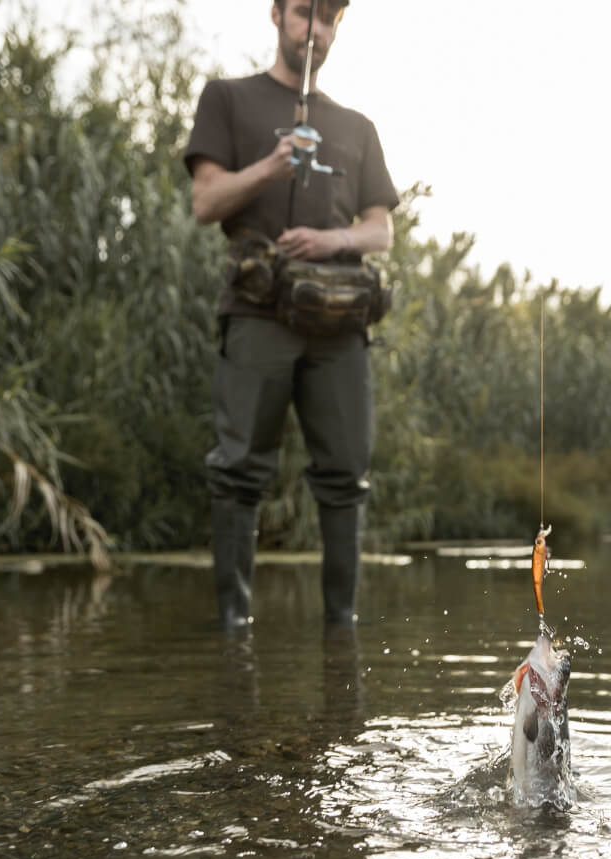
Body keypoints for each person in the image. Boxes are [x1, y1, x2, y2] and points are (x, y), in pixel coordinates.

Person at [183, 0, 398, 630]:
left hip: (339, 326)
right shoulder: (228, 99)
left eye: (328, 20)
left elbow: (380, 230)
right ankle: (234, 630)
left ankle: (343, 630)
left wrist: (331, 241)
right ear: (276, 16)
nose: (316, 31)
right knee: (239, 473)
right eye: (305, 14)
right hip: (257, 314)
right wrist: (273, 164)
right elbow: (205, 202)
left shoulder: (357, 126)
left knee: (345, 477)